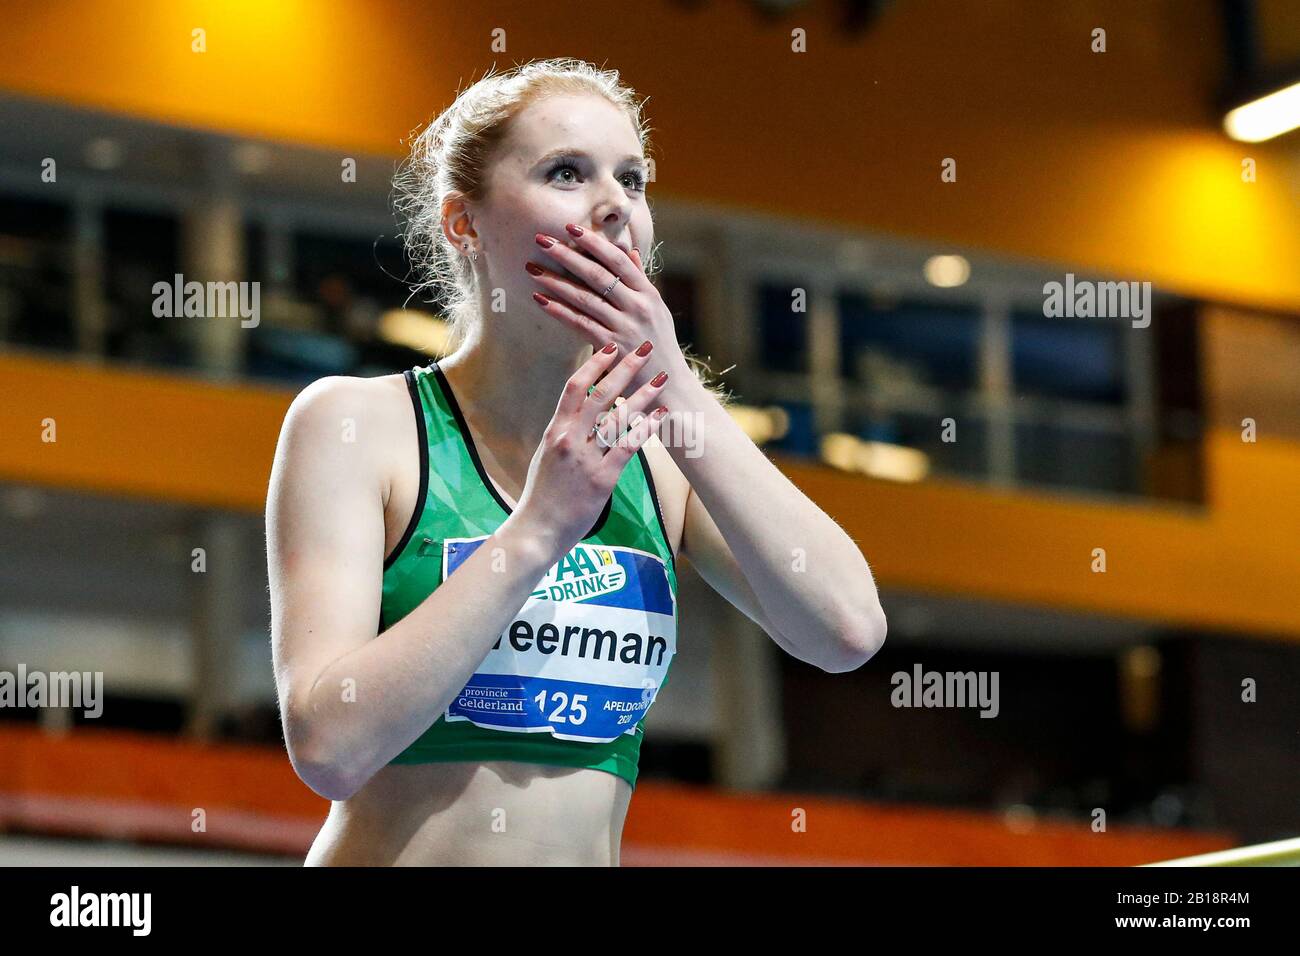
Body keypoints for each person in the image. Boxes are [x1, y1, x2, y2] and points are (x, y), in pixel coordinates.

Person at [266, 58, 887, 866]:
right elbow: (328, 747)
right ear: (464, 224)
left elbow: (846, 631)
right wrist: (537, 532)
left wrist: (675, 388)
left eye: (632, 180)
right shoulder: (357, 424)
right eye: (567, 172)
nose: (613, 206)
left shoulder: (662, 457)